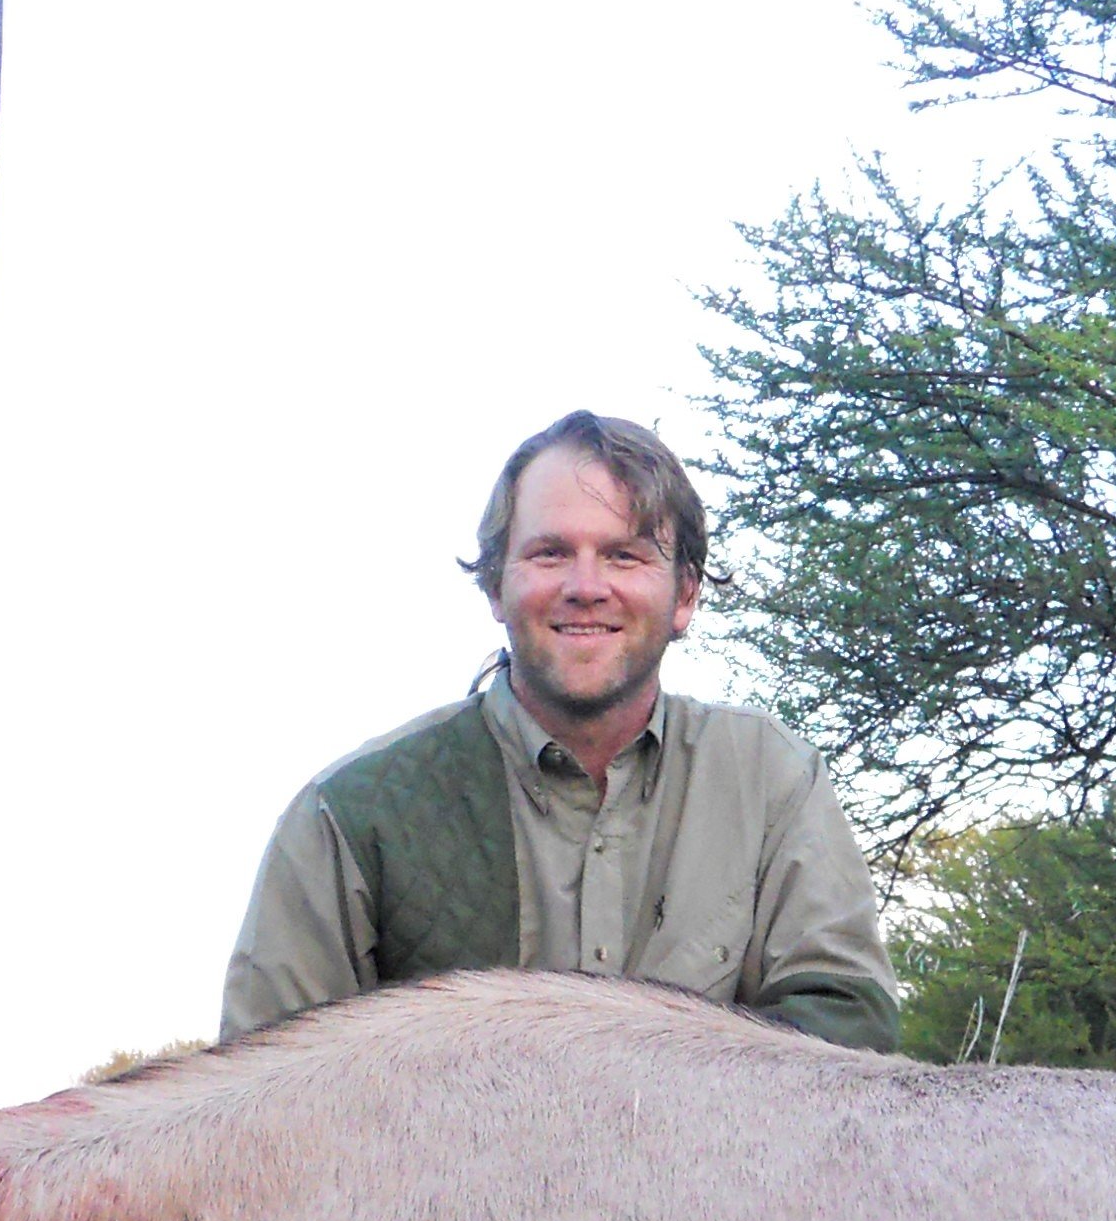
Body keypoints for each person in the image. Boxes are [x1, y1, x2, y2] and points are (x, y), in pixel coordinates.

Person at [221, 410, 900, 1050]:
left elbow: (850, 1030)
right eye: (549, 554)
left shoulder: (771, 778)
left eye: (625, 556)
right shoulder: (349, 812)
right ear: (495, 587)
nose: (586, 586)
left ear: (685, 595)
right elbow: (263, 1103)